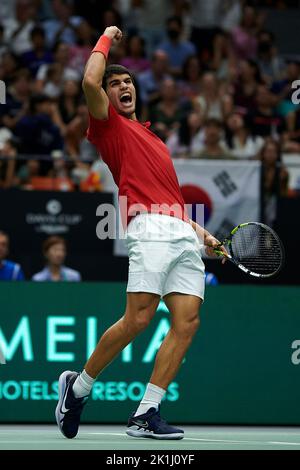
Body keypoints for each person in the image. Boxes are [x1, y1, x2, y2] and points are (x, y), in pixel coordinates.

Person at [55, 26, 227, 441]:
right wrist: (106, 37)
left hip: (180, 232)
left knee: (187, 321)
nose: (122, 87)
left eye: (127, 81)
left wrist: (203, 234)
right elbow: (88, 80)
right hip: (147, 228)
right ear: (108, 96)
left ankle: (146, 412)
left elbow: (171, 198)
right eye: (115, 84)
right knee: (140, 319)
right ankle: (77, 389)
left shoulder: (153, 137)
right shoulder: (107, 124)